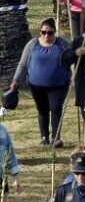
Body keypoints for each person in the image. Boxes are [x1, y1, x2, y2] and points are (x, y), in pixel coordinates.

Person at [9, 17, 72, 146]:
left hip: (58, 85)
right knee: (42, 110)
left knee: (56, 108)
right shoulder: (32, 44)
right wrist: (15, 79)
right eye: (43, 32)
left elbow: (71, 58)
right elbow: (22, 64)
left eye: (50, 33)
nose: (46, 36)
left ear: (55, 32)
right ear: (40, 32)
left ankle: (56, 138)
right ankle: (44, 137)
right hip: (36, 85)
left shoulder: (62, 44)